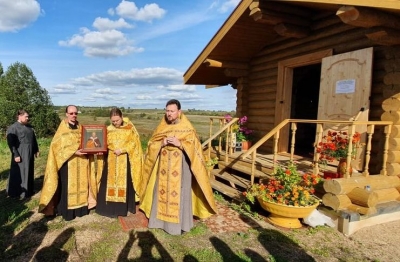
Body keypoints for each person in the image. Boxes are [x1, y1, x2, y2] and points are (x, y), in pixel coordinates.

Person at [140, 99, 217, 235]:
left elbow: (195, 148)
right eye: (167, 110)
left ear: (179, 112)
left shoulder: (187, 128)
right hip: (163, 168)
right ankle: (158, 222)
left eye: (172, 111)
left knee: (181, 194)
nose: (169, 114)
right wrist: (162, 143)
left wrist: (180, 144)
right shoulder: (162, 127)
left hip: (181, 167)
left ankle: (180, 226)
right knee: (161, 192)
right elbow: (152, 144)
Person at [39, 105, 99, 221]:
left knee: (83, 185)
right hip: (68, 164)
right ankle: (67, 211)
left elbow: (89, 143)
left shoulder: (81, 128)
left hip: (82, 163)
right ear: (66, 114)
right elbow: (56, 148)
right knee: (67, 187)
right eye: (71, 113)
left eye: (75, 113)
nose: (74, 115)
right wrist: (74, 151)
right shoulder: (62, 130)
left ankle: (81, 209)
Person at [96, 108, 143, 218]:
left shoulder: (130, 128)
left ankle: (123, 208)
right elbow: (103, 143)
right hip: (111, 159)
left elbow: (134, 143)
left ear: (122, 117)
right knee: (108, 182)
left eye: (117, 120)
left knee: (125, 183)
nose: (115, 123)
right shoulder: (108, 129)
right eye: (113, 121)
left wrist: (122, 150)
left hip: (124, 160)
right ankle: (108, 208)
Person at [6, 109, 39, 199]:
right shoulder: (13, 128)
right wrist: (16, 154)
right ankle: (17, 192)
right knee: (20, 172)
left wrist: (36, 150)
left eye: (28, 116)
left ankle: (29, 190)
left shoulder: (29, 127)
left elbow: (33, 139)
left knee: (29, 171)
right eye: (26, 116)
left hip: (29, 152)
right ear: (20, 116)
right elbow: (11, 143)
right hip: (20, 152)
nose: (28, 118)